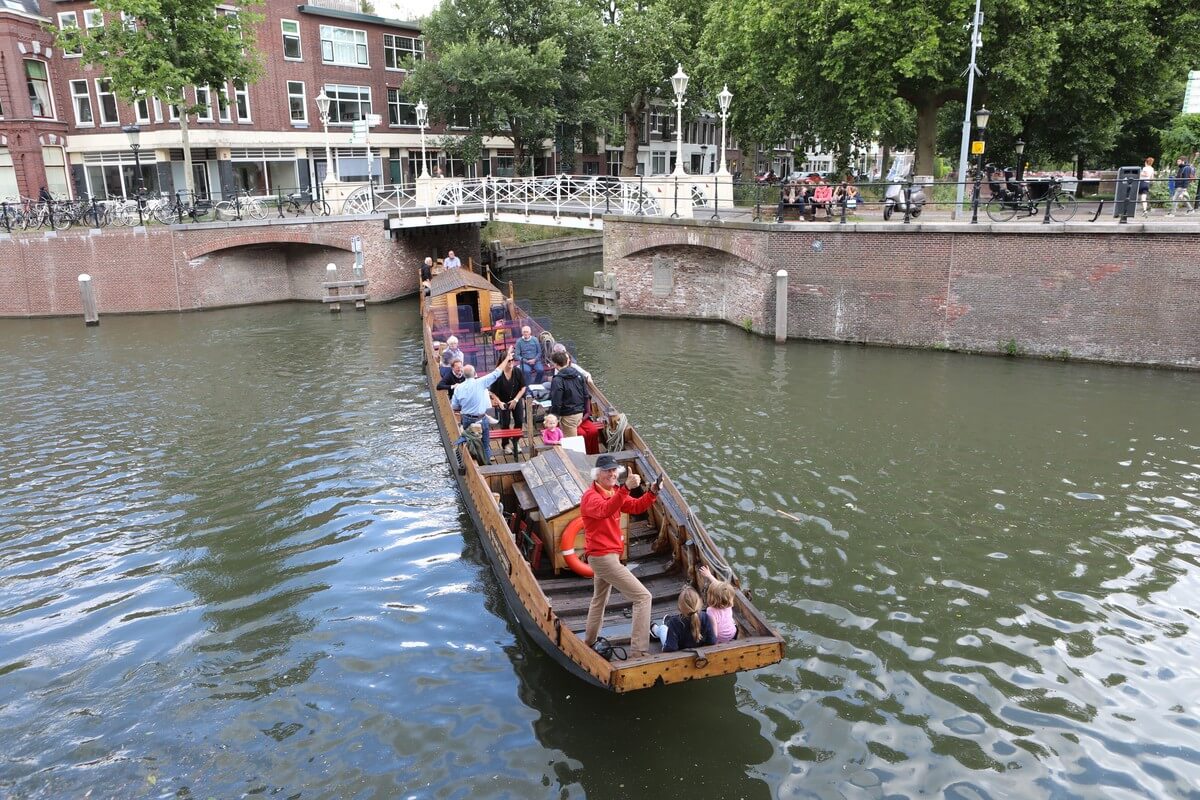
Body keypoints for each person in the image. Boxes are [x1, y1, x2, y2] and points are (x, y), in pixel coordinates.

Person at [582, 454, 660, 658]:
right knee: (643, 597)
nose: (613, 473)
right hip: (602, 558)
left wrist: (652, 492)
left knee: (599, 599)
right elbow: (605, 510)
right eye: (608, 470)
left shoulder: (614, 491)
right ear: (597, 474)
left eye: (614, 470)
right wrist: (626, 488)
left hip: (609, 556)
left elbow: (636, 506)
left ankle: (588, 642)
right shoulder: (591, 497)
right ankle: (639, 652)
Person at [450, 349, 513, 464]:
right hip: (481, 418)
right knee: (485, 444)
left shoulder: (458, 388)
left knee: (470, 442)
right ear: (475, 374)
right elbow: (497, 372)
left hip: (467, 419)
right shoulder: (480, 382)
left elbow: (454, 406)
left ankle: (473, 463)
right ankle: (488, 464)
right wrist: (507, 358)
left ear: (463, 375)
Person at [650, 586, 715, 652]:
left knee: (663, 629)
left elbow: (671, 648)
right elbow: (712, 641)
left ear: (680, 607)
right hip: (700, 654)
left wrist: (664, 648)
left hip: (680, 655)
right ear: (699, 603)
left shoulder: (674, 622)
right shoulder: (705, 617)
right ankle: (659, 627)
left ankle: (653, 628)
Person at [488, 354, 526, 456]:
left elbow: (523, 387)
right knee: (505, 423)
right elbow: (492, 392)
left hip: (515, 400)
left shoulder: (517, 371)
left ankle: (516, 441)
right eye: (508, 361)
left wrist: (516, 399)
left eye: (512, 360)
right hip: (503, 401)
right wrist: (499, 402)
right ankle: (505, 445)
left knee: (519, 420)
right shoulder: (498, 374)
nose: (511, 362)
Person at [548, 350, 588, 438]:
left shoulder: (557, 380)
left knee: (571, 442)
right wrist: (584, 412)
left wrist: (554, 416)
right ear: (567, 361)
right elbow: (586, 395)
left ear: (555, 364)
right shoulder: (579, 375)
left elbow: (556, 401)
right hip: (579, 413)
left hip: (568, 415)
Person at [697, 565, 738, 644]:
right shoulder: (728, 605)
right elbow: (721, 589)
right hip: (733, 633)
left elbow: (714, 632)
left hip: (720, 637)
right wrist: (709, 575)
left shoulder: (710, 610)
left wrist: (714, 644)